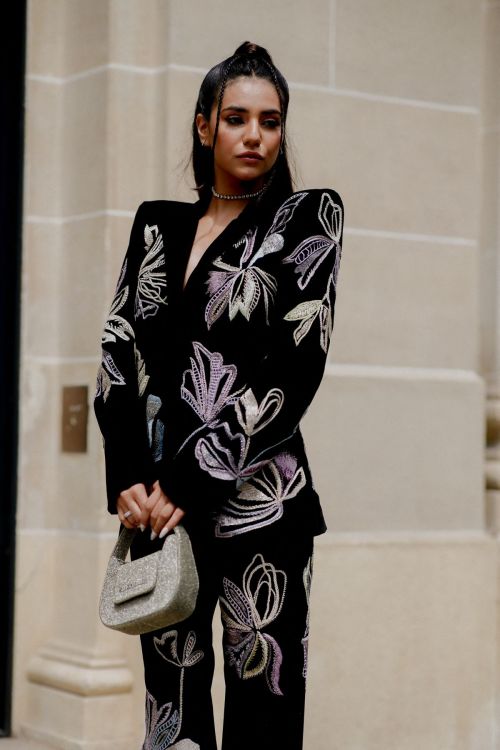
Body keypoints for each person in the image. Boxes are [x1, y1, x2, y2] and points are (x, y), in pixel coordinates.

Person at [94, 40, 344, 750]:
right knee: (171, 710)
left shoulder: (306, 220)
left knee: (264, 711)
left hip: (259, 507)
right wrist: (131, 480)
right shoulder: (155, 226)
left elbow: (293, 373)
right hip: (158, 515)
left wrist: (182, 480)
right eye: (237, 118)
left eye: (270, 120)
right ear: (205, 126)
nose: (255, 134)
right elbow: (118, 354)